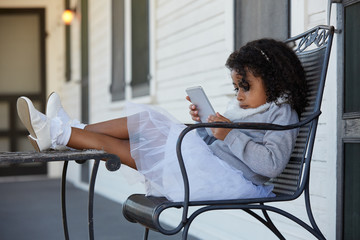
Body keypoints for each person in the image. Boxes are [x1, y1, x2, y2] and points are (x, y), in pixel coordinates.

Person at [16, 38, 307, 202]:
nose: (240, 95)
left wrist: (227, 134)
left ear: (274, 82)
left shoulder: (282, 113)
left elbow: (270, 164)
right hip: (210, 168)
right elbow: (222, 142)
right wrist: (208, 125)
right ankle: (64, 133)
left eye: (246, 87)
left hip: (226, 181)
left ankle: (63, 131)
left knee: (148, 124)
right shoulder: (244, 111)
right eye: (236, 88)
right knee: (144, 127)